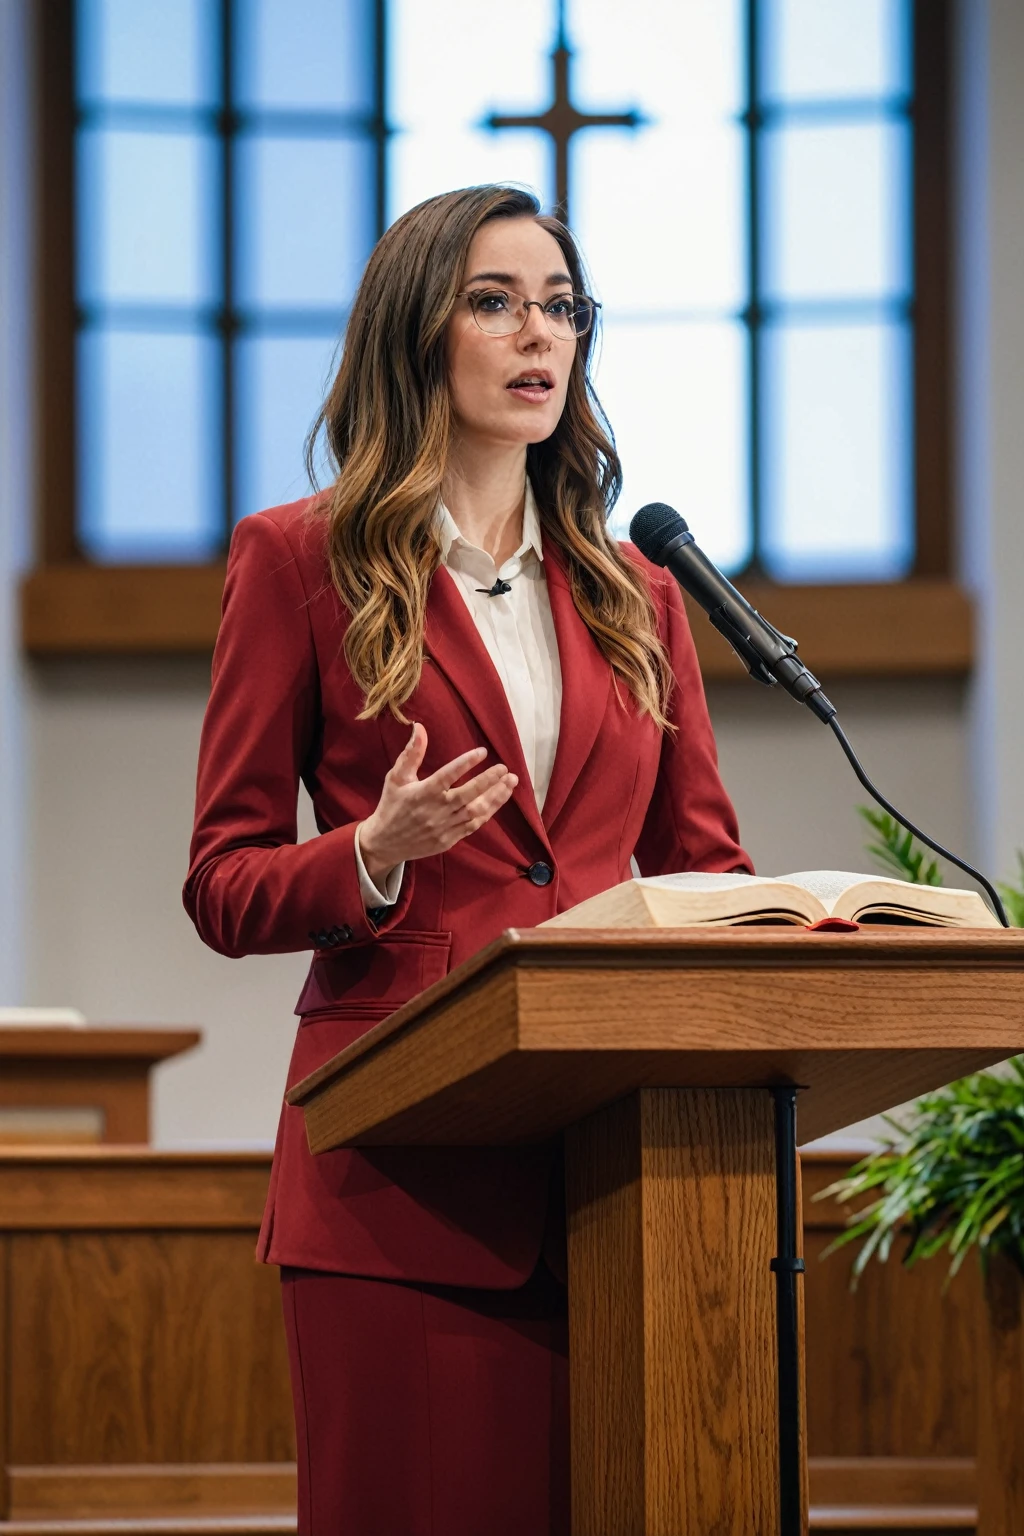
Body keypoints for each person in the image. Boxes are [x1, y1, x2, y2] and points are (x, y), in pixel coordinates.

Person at [184, 184, 751, 1536]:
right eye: (493, 302)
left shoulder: (640, 591)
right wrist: (369, 855)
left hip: (626, 1181)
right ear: (415, 335)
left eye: (560, 307)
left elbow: (705, 867)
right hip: (400, 1184)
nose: (536, 335)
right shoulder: (300, 560)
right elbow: (222, 881)